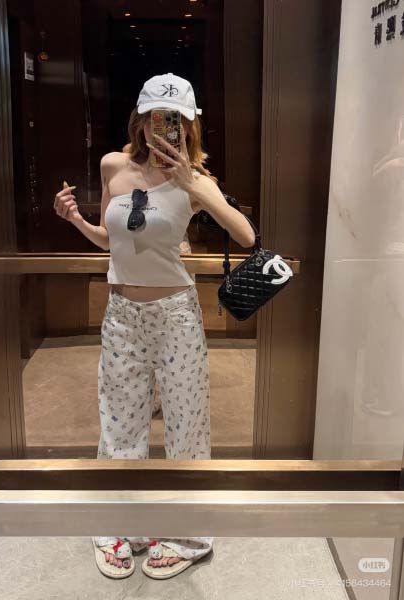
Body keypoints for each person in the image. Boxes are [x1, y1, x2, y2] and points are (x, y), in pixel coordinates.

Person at [53, 72, 255, 579]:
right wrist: (76, 221)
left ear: (189, 127)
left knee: (187, 423)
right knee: (120, 421)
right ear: (140, 122)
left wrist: (191, 184)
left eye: (177, 120)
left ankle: (188, 535)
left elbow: (247, 237)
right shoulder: (113, 166)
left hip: (176, 316)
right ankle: (120, 525)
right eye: (157, 118)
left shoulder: (196, 181)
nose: (167, 128)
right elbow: (111, 240)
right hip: (122, 316)